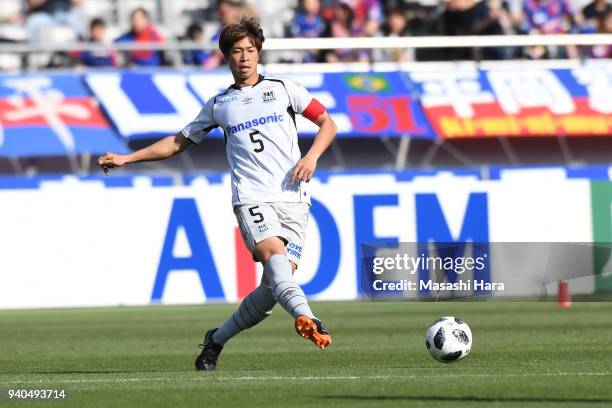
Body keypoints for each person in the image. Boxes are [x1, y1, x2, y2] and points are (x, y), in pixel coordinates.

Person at [97, 17, 338, 371]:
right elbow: (178, 142)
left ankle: (216, 340)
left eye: (250, 50)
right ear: (227, 57)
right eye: (237, 51)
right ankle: (308, 317)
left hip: (294, 199)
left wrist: (312, 156)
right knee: (273, 257)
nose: (244, 57)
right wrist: (126, 158)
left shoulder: (285, 88)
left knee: (273, 289)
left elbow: (328, 123)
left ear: (259, 54)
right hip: (252, 197)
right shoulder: (220, 104)